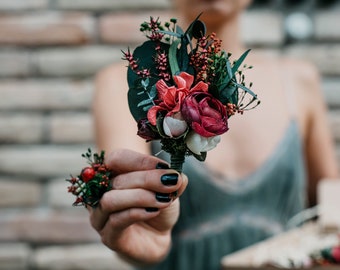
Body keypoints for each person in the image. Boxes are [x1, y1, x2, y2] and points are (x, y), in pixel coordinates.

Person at [89, 0, 339, 269]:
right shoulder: (127, 83)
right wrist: (136, 237)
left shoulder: (298, 81)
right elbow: (135, 227)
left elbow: (330, 216)